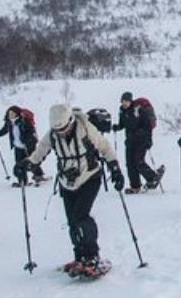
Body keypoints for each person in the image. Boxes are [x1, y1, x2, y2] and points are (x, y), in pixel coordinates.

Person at [16, 104, 125, 278]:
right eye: (58, 130)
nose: (62, 133)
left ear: (71, 121)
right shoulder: (53, 134)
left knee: (81, 216)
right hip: (67, 181)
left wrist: (115, 168)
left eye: (64, 128)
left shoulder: (84, 128)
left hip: (90, 177)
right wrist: (27, 164)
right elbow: (41, 150)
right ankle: (79, 256)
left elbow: (104, 147)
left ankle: (92, 256)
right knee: (72, 221)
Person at [113, 92, 164, 194]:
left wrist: (149, 140)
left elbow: (148, 126)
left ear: (131, 101)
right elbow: (123, 124)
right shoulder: (122, 111)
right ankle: (135, 186)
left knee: (138, 161)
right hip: (130, 141)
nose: (125, 103)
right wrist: (117, 127)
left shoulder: (138, 110)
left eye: (127, 101)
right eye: (123, 101)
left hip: (141, 140)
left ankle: (153, 178)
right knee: (130, 164)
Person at [0, 105, 47, 187]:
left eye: (12, 113)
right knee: (19, 164)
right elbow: (4, 130)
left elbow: (31, 131)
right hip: (18, 147)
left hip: (28, 146)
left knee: (31, 162)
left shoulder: (24, 121)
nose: (11, 115)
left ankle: (38, 175)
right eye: (9, 113)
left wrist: (27, 141)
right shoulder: (9, 122)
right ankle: (23, 181)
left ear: (17, 113)